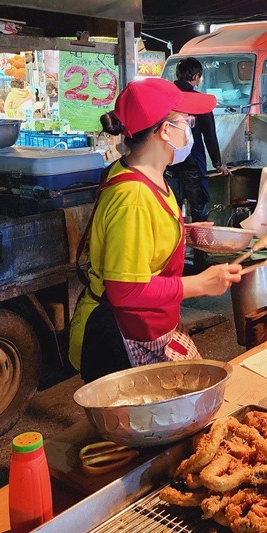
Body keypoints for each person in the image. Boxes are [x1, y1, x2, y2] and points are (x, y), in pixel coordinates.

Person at [68, 78, 242, 383]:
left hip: (150, 323)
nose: (190, 129)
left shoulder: (147, 175)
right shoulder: (133, 197)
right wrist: (200, 284)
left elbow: (138, 236)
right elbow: (126, 290)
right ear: (164, 130)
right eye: (187, 122)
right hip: (122, 335)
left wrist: (183, 232)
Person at [165, 58, 229, 271]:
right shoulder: (200, 102)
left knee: (170, 215)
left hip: (169, 164)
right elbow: (210, 136)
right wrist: (218, 163)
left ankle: (172, 263)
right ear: (195, 77)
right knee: (199, 214)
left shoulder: (165, 98)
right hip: (193, 164)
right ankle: (201, 263)